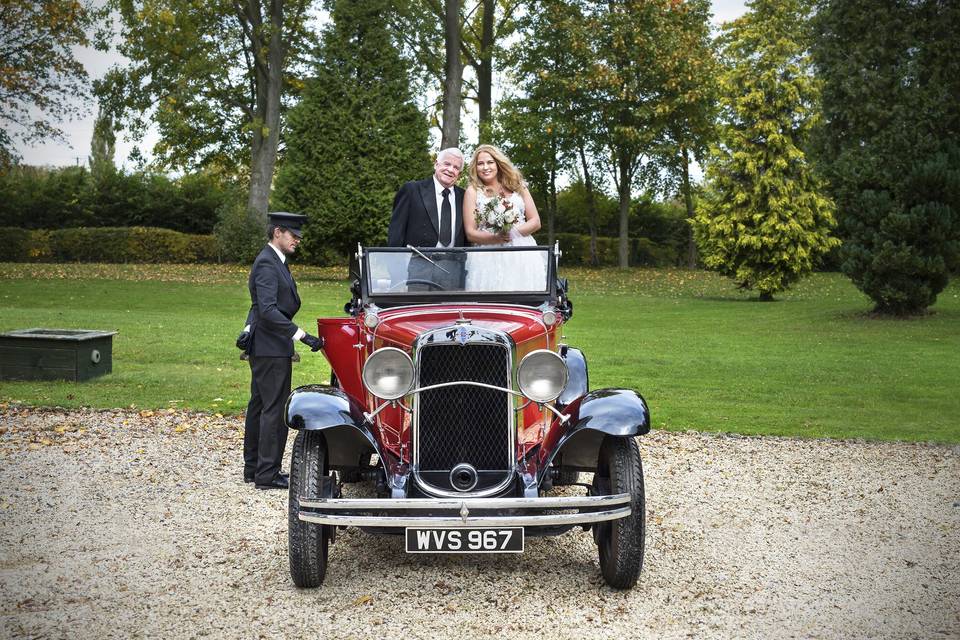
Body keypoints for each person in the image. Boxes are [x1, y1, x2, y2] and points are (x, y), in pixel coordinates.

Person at [237, 212, 322, 490]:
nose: (297, 240)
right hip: (271, 347)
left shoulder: (274, 261)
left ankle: (254, 469)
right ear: (277, 233)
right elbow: (268, 310)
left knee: (260, 405)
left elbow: (260, 307)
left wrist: (249, 329)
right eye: (293, 235)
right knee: (273, 409)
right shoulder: (267, 263)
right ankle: (267, 474)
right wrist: (303, 336)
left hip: (267, 344)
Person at [463, 144, 545, 291]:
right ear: (475, 168)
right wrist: (496, 238)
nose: (485, 167)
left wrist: (511, 233)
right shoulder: (473, 191)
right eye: (480, 164)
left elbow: (535, 221)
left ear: (498, 163)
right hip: (487, 256)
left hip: (522, 253)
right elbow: (470, 233)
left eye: (490, 162)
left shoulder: (518, 186)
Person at [388, 148, 467, 290]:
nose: (450, 170)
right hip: (418, 269)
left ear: (459, 174)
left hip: (453, 271)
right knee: (418, 311)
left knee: (449, 312)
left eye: (456, 167)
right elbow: (396, 234)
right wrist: (396, 273)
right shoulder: (412, 190)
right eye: (447, 164)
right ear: (436, 164)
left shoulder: (464, 197)